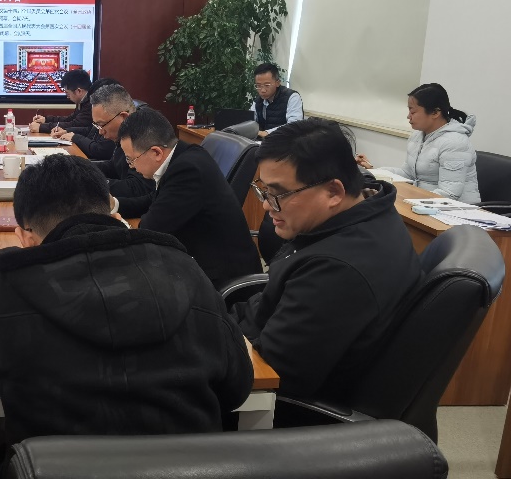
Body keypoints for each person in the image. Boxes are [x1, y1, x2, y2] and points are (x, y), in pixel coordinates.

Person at [0, 154, 253, 446]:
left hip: (52, 464)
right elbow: (237, 387)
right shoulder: (185, 269)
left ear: (25, 238)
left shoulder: (8, 284)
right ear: (115, 216)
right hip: (186, 463)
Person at [233, 119, 421, 402]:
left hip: (270, 404)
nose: (266, 204)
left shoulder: (338, 270)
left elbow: (274, 376)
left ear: (334, 192)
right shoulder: (364, 211)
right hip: (251, 337)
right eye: (265, 191)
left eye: (278, 194)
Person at [113, 108, 262, 287]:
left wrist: (119, 222)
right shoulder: (183, 154)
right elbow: (155, 199)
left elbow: (151, 228)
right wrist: (115, 204)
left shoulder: (188, 170)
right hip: (197, 258)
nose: (131, 166)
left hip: (220, 279)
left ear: (156, 153)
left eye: (131, 159)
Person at [356, 83, 480, 203]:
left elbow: (449, 194)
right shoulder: (418, 136)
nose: (408, 116)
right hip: (424, 203)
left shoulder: (454, 143)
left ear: (435, 113)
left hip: (456, 210)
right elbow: (407, 174)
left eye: (413, 112)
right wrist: (374, 172)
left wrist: (410, 202)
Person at [73, 84, 154, 198]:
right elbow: (114, 167)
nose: (100, 132)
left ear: (123, 117)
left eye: (102, 124)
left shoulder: (146, 136)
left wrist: (88, 182)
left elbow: (137, 188)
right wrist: (79, 168)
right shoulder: (125, 134)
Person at [52, 77, 121, 159]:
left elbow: (101, 150)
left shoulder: (115, 118)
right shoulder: (100, 112)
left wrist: (75, 137)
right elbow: (90, 130)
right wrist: (67, 131)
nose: (100, 132)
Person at [249, 63, 304, 138]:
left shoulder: (292, 97)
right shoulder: (257, 101)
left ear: (277, 83)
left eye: (267, 85)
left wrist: (267, 133)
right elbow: (250, 122)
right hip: (264, 142)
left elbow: (294, 125)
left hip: (286, 142)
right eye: (258, 86)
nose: (262, 90)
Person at [30, 69, 93, 134]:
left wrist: (42, 127)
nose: (67, 97)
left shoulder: (92, 103)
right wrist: (46, 119)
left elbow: (75, 125)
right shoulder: (83, 100)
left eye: (68, 93)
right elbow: (70, 119)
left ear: (79, 91)